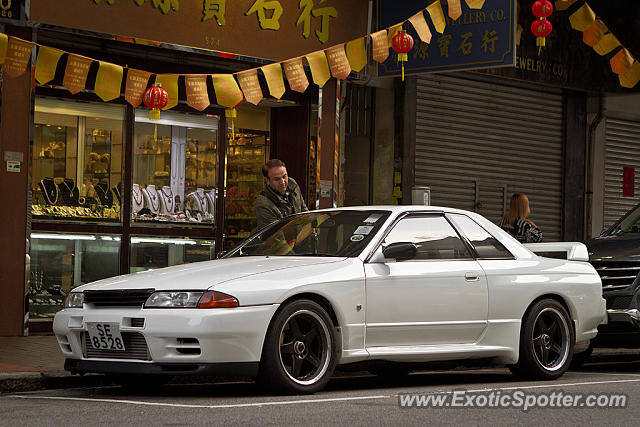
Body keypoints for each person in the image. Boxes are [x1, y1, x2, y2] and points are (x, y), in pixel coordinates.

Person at [254, 159, 308, 229]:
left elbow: (304, 211)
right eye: (277, 179)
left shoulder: (292, 184)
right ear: (267, 181)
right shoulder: (263, 204)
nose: (282, 182)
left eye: (284, 176)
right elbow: (273, 236)